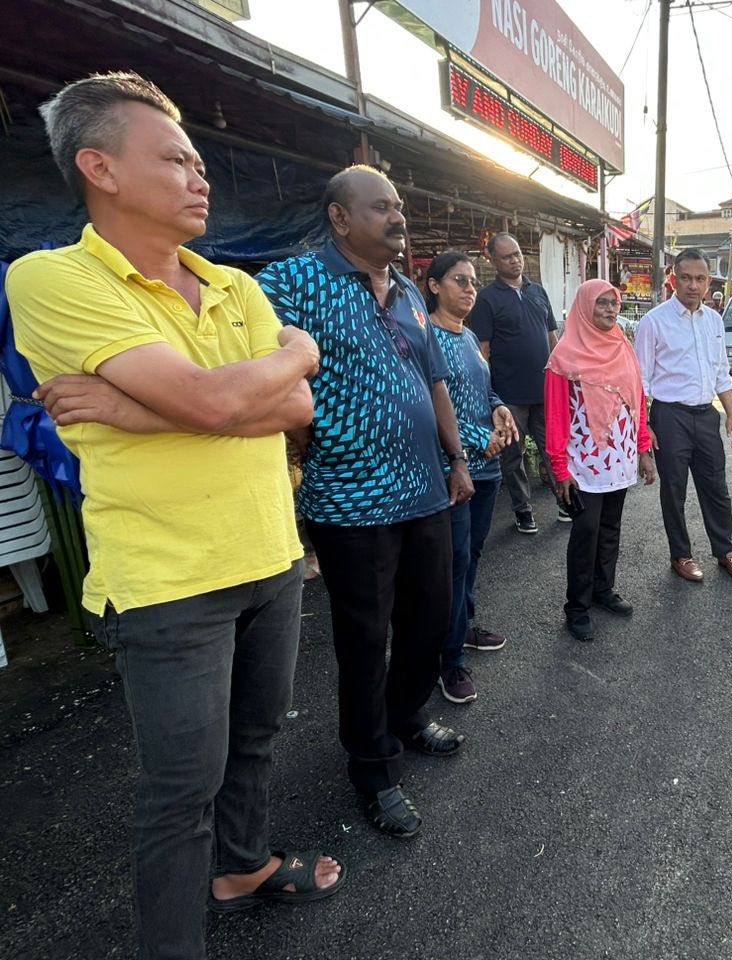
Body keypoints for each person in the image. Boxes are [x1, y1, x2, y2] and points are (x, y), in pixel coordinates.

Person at [5, 72, 343, 959]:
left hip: (271, 552)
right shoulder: (51, 277)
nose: (201, 175)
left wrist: (132, 409)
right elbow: (209, 399)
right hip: (167, 580)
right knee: (179, 788)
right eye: (177, 158)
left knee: (259, 737)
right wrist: (273, 371)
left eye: (199, 160)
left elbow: (299, 411)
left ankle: (242, 868)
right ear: (99, 167)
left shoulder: (235, 286)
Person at [256, 165, 472, 841]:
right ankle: (372, 766)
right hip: (350, 503)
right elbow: (257, 361)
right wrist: (305, 438)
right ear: (340, 217)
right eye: (382, 207)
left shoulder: (409, 291)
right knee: (362, 639)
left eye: (400, 206)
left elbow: (433, 380)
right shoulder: (294, 282)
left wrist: (458, 457)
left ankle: (404, 714)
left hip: (423, 491)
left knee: (430, 619)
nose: (398, 217)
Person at [424, 251, 521, 703]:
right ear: (434, 286)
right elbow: (430, 411)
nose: (468, 288)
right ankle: (448, 662)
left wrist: (499, 405)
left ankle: (462, 627)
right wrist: (481, 435)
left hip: (487, 466)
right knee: (455, 560)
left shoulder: (468, 337)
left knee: (473, 554)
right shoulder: (425, 340)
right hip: (453, 469)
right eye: (458, 280)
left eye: (473, 282)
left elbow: (483, 390)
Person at [545, 279, 656, 641]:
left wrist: (643, 450)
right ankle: (576, 607)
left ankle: (602, 589)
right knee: (586, 531)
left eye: (614, 303)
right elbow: (557, 417)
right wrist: (560, 469)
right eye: (602, 304)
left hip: (620, 459)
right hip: (582, 464)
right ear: (585, 307)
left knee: (610, 527)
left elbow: (637, 402)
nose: (610, 310)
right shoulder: (565, 356)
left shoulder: (623, 347)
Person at [634, 248, 732, 583]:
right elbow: (639, 381)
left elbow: (721, 373)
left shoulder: (714, 320)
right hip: (670, 416)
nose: (693, 285)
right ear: (673, 278)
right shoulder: (653, 322)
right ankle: (681, 555)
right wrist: (644, 427)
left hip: (706, 415)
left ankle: (725, 549)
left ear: (708, 281)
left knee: (716, 486)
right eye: (685, 278)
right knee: (674, 488)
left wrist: (731, 415)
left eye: (700, 279)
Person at [470, 231, 563, 534]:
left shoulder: (538, 291)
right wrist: (487, 394)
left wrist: (561, 375)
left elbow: (552, 338)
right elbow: (482, 351)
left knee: (554, 449)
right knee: (513, 457)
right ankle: (523, 511)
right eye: (507, 256)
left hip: (544, 389)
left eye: (518, 253)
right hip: (509, 395)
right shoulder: (486, 299)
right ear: (493, 260)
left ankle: (564, 501)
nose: (515, 260)